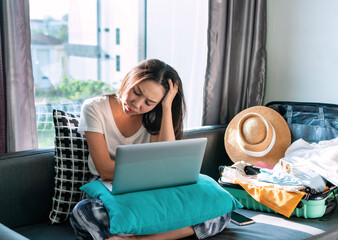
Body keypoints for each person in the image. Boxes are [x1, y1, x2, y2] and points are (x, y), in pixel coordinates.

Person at [70, 59, 231, 240]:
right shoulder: (94, 107)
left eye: (149, 102)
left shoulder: (154, 114)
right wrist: (154, 172)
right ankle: (150, 231)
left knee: (220, 209)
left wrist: (166, 107)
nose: (137, 104)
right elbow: (105, 169)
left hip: (151, 188)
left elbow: (168, 157)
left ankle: (139, 238)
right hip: (107, 186)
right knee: (85, 211)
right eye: (136, 92)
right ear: (130, 79)